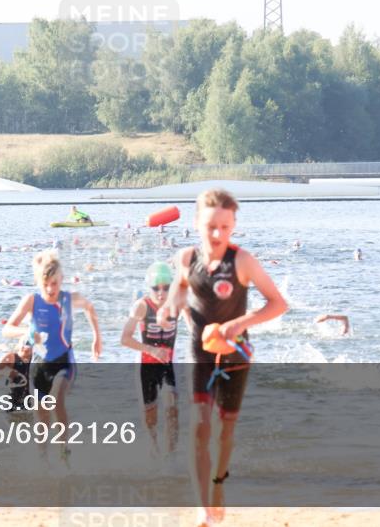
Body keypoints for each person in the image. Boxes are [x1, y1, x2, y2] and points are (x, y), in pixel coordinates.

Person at [157, 189, 288, 526]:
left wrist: (240, 322)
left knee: (223, 432)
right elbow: (177, 296)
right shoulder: (186, 258)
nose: (217, 234)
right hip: (199, 352)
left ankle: (217, 487)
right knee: (199, 427)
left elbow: (278, 303)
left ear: (233, 226)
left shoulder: (242, 261)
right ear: (197, 223)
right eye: (210, 226)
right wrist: (168, 311)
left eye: (225, 227)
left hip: (236, 353)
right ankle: (203, 508)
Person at [2, 250, 102, 466]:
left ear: (61, 280)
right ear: (39, 281)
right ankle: (43, 461)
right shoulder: (31, 300)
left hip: (65, 362)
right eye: (46, 284)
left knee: (57, 399)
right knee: (42, 417)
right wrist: (27, 333)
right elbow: (8, 328)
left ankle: (64, 452)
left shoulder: (69, 298)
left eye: (55, 283)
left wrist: (97, 338)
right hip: (40, 366)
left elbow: (90, 308)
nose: (50, 289)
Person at [120, 261, 181, 457]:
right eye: (156, 288)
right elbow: (125, 338)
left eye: (166, 288)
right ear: (150, 288)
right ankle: (154, 451)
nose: (161, 293)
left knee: (172, 406)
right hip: (146, 367)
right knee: (151, 417)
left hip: (166, 366)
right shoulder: (142, 306)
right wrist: (151, 350)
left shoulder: (177, 305)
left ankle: (170, 456)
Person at [0, 341, 33, 418]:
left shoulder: (33, 357)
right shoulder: (11, 357)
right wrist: (5, 372)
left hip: (27, 404)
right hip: (11, 405)